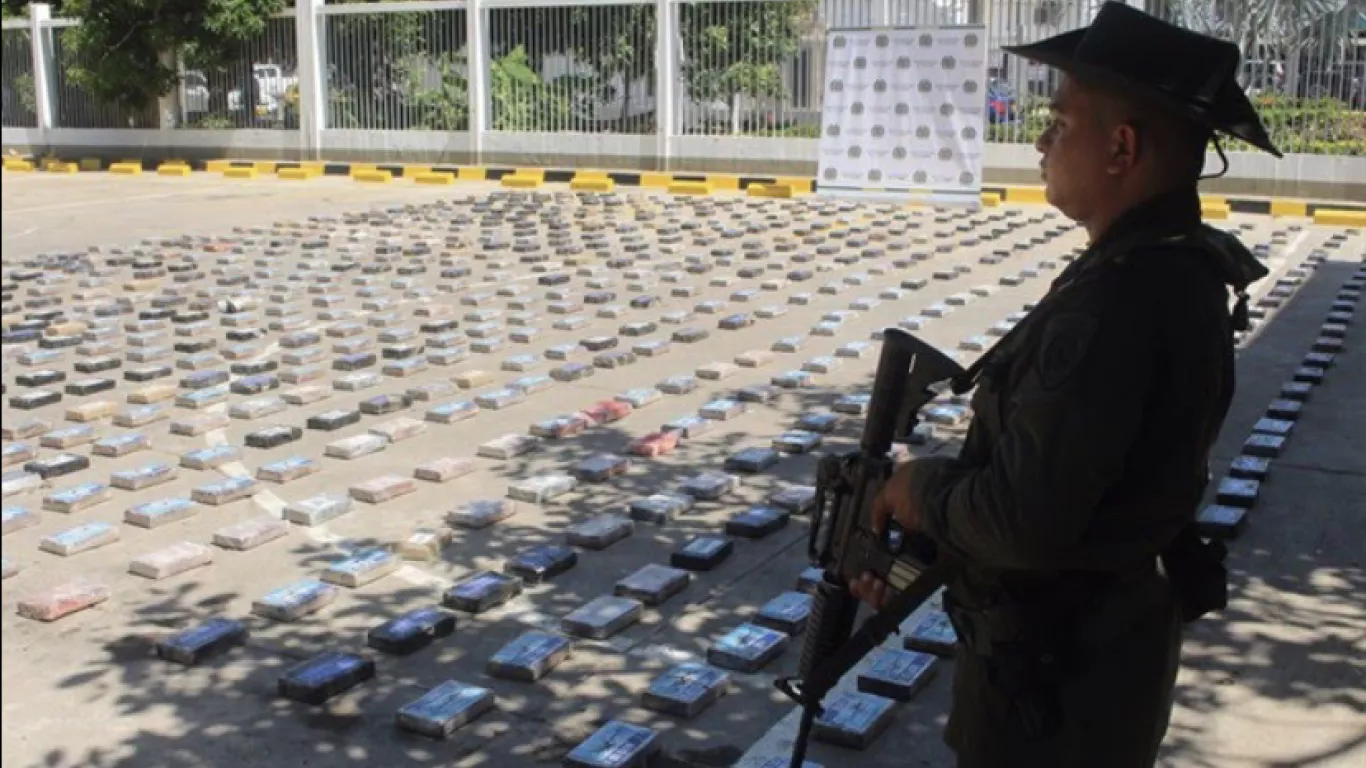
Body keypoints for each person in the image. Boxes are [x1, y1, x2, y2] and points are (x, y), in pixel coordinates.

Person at [851, 3, 1281, 767]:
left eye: (1059, 122)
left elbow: (1027, 521)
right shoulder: (1163, 269)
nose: (1041, 141)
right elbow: (1082, 493)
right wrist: (933, 545)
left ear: (1121, 147)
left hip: (1056, 696)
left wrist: (921, 491)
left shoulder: (1118, 303)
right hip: (1082, 668)